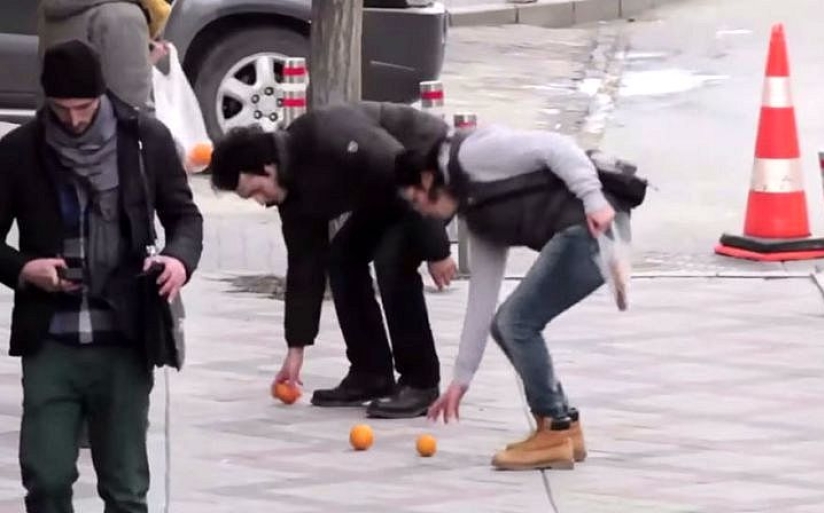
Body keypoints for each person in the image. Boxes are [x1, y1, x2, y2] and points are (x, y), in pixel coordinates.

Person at [0, 40, 203, 512]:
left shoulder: (144, 140)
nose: (73, 119)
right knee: (47, 480)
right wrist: (23, 269)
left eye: (84, 107)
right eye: (61, 108)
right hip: (51, 336)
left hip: (125, 334)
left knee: (126, 487)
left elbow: (185, 217)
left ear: (102, 96)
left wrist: (177, 260)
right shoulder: (19, 151)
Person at [395, 123, 647, 470]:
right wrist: (461, 379)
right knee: (508, 324)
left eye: (415, 200)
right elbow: (481, 302)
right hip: (585, 234)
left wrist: (593, 199)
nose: (419, 211)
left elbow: (556, 146)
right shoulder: (479, 216)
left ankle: (553, 430)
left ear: (426, 180)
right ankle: (564, 427)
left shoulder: (472, 153)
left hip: (593, 225)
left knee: (516, 322)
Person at [207, 102, 457, 419]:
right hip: (386, 192)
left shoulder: (330, 139)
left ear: (268, 168)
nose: (260, 202)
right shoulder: (290, 191)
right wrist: (295, 349)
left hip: (428, 171)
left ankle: (420, 382)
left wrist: (437, 248)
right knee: (342, 258)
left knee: (392, 260)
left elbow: (404, 169)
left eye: (255, 191)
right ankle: (371, 372)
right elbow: (304, 265)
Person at [37, 0, 156, 112]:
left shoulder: (52, 8)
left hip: (53, 128)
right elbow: (132, 104)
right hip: (106, 130)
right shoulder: (123, 16)